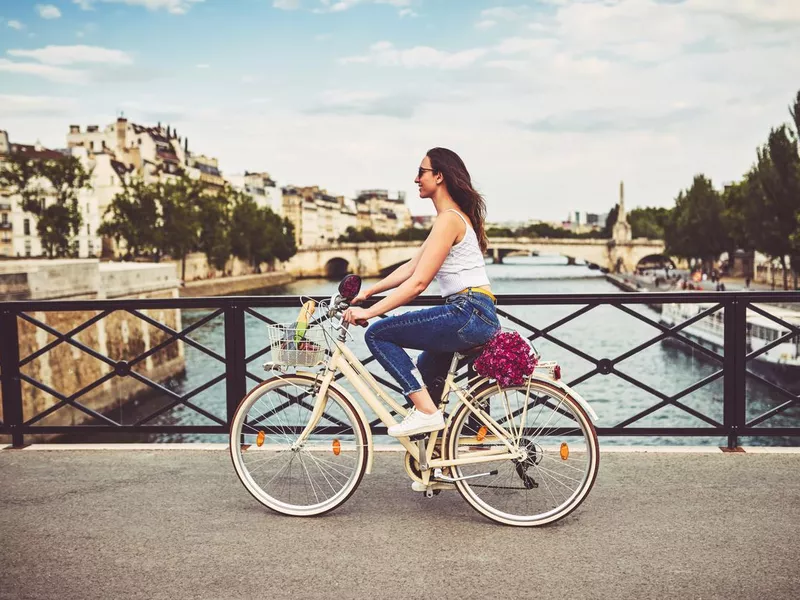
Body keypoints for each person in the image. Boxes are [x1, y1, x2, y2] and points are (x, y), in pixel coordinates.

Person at [342, 147, 500, 437]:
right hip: (474, 313)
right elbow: (412, 266)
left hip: (467, 312)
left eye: (421, 172)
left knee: (378, 334)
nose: (416, 178)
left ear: (439, 176)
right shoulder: (450, 218)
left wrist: (370, 312)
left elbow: (418, 283)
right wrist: (369, 292)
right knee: (425, 375)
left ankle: (428, 415)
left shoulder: (449, 219)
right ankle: (438, 453)